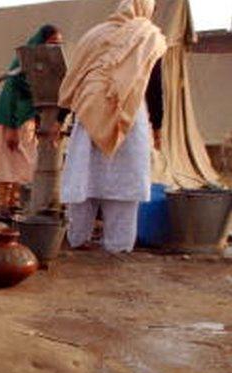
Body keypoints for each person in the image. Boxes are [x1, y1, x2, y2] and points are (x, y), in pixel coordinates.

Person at [58, 0, 167, 253]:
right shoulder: (149, 36)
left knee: (84, 178)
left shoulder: (93, 35)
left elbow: (73, 78)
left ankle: (77, 239)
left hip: (89, 112)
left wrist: (58, 118)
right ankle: (118, 247)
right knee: (124, 185)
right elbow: (154, 89)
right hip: (128, 116)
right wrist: (158, 128)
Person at [0, 24, 64, 220]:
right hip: (10, 119)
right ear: (41, 42)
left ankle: (14, 204)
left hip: (28, 121)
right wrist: (11, 128)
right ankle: (2, 206)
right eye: (52, 44)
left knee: (24, 166)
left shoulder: (45, 64)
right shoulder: (24, 61)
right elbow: (10, 93)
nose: (55, 48)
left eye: (58, 45)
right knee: (7, 164)